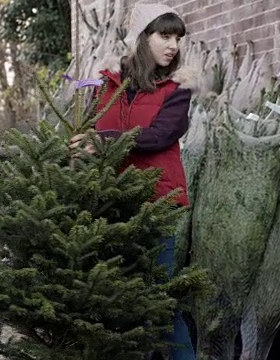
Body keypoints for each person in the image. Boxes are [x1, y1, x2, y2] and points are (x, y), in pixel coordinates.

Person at [70, 3, 198, 359]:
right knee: (111, 300)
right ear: (142, 38)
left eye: (177, 38)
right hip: (111, 202)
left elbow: (158, 136)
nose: (173, 45)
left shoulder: (177, 90)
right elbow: (89, 129)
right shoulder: (110, 83)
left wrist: (103, 141)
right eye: (164, 36)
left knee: (160, 300)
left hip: (157, 204)